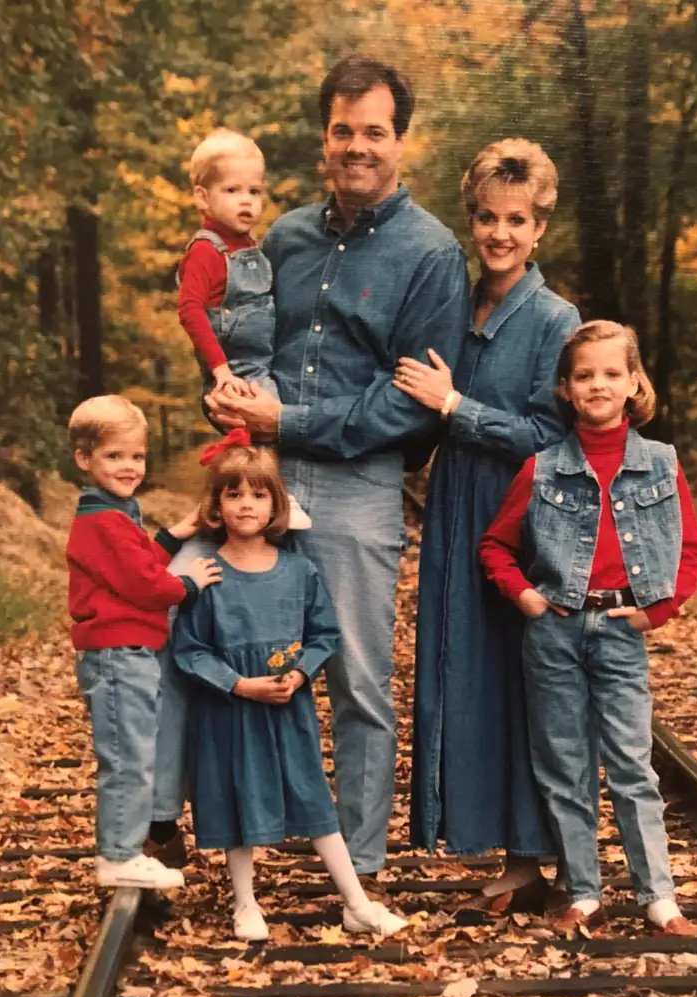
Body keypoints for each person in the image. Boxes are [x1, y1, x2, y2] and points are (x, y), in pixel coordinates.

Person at [203, 55, 469, 878]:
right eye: (343, 130)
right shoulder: (280, 236)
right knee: (248, 661)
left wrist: (294, 418)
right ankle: (256, 835)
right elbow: (242, 341)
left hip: (359, 489)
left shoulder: (431, 253)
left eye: (375, 133)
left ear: (401, 142)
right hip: (263, 481)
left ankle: (360, 863)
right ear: (325, 136)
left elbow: (414, 403)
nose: (358, 146)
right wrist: (225, 392)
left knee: (355, 676)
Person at [479, 320, 697, 937]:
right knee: (564, 765)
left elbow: (689, 550)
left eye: (612, 373)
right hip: (553, 633)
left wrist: (655, 612)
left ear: (634, 383)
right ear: (565, 387)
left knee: (632, 764)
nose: (598, 385)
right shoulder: (542, 469)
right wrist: (525, 597)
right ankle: (583, 891)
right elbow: (496, 547)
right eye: (585, 375)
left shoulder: (662, 463)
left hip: (620, 629)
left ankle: (659, 898)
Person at [397, 139, 581, 909]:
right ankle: (495, 849)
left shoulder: (554, 317)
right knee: (457, 669)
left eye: (516, 220)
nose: (499, 233)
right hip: (452, 511)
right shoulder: (455, 302)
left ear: (540, 227)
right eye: (486, 217)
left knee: (518, 684)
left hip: (519, 518)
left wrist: (455, 407)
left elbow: (550, 435)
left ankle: (533, 856)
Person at [170, 432, 407, 939]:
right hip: (231, 710)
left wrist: (299, 673)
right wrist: (238, 685)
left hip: (286, 705)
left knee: (314, 799)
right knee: (240, 798)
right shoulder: (206, 574)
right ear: (216, 505)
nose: (246, 505)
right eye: (233, 495)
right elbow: (189, 649)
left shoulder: (299, 570)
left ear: (276, 504)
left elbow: (324, 632)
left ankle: (357, 902)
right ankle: (246, 903)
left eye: (258, 495)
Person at [65, 395, 222, 888]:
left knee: (135, 752)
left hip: (128, 653)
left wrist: (177, 533)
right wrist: (189, 583)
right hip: (117, 655)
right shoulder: (103, 521)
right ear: (84, 459)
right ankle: (117, 856)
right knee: (128, 757)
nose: (129, 466)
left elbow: (138, 560)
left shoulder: (114, 513)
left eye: (136, 456)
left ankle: (125, 849)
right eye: (114, 456)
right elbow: (146, 585)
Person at [178, 128, 310, 530]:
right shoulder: (206, 251)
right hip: (237, 369)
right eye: (233, 190)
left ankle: (246, 501)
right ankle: (271, 502)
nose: (247, 201)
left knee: (264, 434)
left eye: (254, 191)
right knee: (268, 431)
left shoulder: (249, 246)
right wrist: (220, 372)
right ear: (203, 196)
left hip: (260, 362)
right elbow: (190, 310)